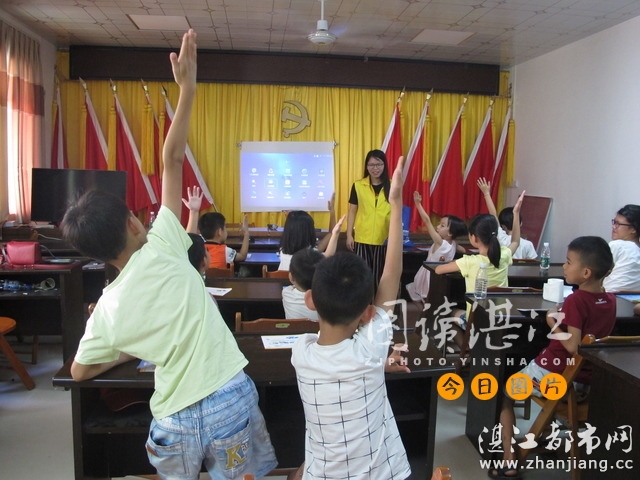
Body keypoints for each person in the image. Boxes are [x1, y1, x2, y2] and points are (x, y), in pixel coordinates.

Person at [60, 30, 277, 479]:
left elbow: (79, 372)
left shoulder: (107, 310)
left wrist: (125, 350)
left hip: (172, 420)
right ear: (133, 223)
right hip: (229, 399)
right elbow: (172, 160)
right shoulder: (163, 242)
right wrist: (187, 88)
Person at [291, 156, 412, 480]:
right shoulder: (370, 349)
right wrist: (396, 204)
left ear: (310, 300)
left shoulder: (301, 352)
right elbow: (391, 275)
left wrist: (378, 364)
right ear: (367, 313)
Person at [490, 236, 616, 480]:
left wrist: (551, 321)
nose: (565, 266)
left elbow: (574, 347)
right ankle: (546, 438)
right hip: (587, 383)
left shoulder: (576, 300)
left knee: (504, 393)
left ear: (586, 272)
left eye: (569, 262)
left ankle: (508, 457)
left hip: (557, 377)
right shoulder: (609, 300)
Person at [435, 191, 526, 357]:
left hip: (476, 320)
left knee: (445, 315)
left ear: (474, 238)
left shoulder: (470, 262)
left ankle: (468, 352)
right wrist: (516, 213)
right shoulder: (504, 255)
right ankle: (474, 350)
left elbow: (438, 270)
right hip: (501, 317)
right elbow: (515, 241)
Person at [406, 190, 468, 302]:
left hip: (430, 275)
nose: (438, 227)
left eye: (442, 225)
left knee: (423, 298)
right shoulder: (453, 244)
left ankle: (419, 310)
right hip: (440, 278)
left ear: (450, 233)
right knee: (431, 300)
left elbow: (427, 221)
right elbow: (463, 250)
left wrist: (418, 204)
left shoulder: (441, 242)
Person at [282, 215, 345, 319]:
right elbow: (328, 256)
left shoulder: (286, 293)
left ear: (291, 277)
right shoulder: (325, 299)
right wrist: (335, 233)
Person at [346, 149, 392, 289]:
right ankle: (364, 302)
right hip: (362, 238)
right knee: (362, 276)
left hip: (384, 239)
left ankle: (380, 303)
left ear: (384, 165)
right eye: (371, 165)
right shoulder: (358, 185)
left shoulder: (393, 185)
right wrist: (349, 235)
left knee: (381, 277)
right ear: (366, 166)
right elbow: (352, 211)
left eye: (378, 164)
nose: (375, 168)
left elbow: (397, 213)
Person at [477, 178, 537, 260]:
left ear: (503, 226)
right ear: (521, 223)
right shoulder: (528, 244)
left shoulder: (501, 238)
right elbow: (533, 263)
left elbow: (493, 214)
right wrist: (516, 212)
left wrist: (486, 193)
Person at [277, 194, 337, 271]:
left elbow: (330, 233)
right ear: (308, 233)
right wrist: (332, 211)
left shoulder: (283, 251)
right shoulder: (310, 257)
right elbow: (332, 235)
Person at [603, 204, 640, 292]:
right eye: (614, 222)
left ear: (633, 229)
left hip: (609, 297)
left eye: (618, 224)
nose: (613, 227)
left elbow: (593, 273)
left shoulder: (618, 245)